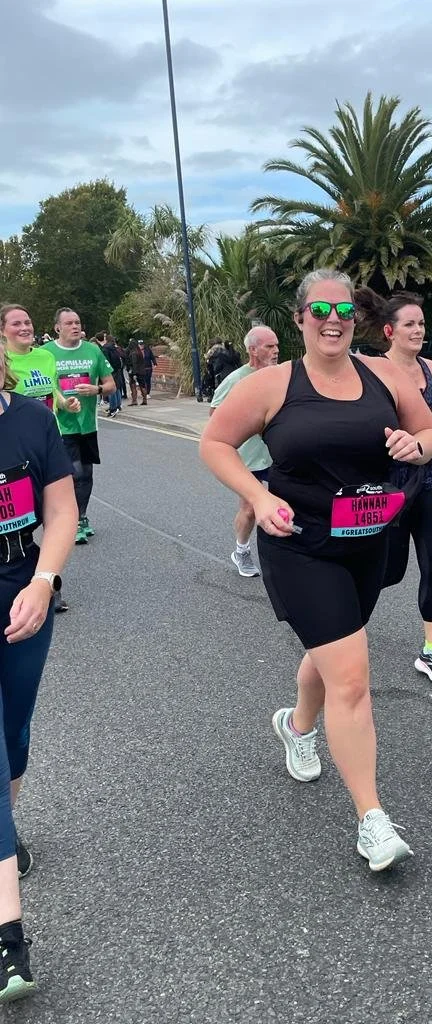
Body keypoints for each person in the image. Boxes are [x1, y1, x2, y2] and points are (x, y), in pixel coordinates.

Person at [200, 269, 432, 871]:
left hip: (367, 541)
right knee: (352, 677)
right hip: (300, 545)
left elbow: (431, 429)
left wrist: (421, 447)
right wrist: (257, 500)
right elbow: (214, 443)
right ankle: (371, 819)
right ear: (299, 318)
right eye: (319, 311)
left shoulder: (384, 374)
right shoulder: (272, 385)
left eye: (343, 310)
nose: (332, 320)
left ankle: (296, 724)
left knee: (337, 651)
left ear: (355, 319)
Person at [0, 340, 78, 1000]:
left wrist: (45, 581)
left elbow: (61, 511)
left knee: (15, 734)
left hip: (23, 591)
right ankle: (10, 941)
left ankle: (7, 827)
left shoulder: (31, 419)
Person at [355, 288, 432, 685]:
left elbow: (429, 419)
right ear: (389, 331)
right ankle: (344, 631)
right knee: (388, 569)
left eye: (421, 323)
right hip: (387, 486)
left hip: (428, 480)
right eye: (410, 324)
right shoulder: (372, 369)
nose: (419, 330)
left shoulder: (430, 369)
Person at [1, 305, 80, 614]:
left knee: (51, 510)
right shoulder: (9, 361)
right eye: (16, 323)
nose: (24, 327)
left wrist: (65, 403)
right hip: (13, 449)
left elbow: (53, 390)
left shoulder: (45, 357)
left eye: (28, 321)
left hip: (45, 439)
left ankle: (45, 580)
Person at [210, 326, 279, 577]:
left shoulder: (281, 376)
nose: (275, 351)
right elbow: (215, 416)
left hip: (279, 455)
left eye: (276, 346)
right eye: (269, 346)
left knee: (290, 502)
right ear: (253, 350)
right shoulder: (237, 380)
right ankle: (241, 551)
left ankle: (290, 556)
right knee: (250, 507)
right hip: (248, 457)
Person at [42, 308, 115, 545]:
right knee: (72, 474)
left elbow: (111, 384)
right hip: (59, 426)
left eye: (78, 322)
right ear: (57, 328)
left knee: (86, 473)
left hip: (87, 424)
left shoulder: (93, 350)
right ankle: (70, 521)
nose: (75, 326)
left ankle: (81, 517)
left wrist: (97, 390)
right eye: (69, 323)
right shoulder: (45, 353)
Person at [99, 335, 124, 417]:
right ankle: (118, 405)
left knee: (111, 389)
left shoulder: (105, 348)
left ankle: (113, 408)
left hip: (110, 370)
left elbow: (105, 361)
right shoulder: (114, 348)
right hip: (117, 369)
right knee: (116, 388)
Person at [125, 340, 147, 406]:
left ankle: (134, 400)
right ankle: (144, 400)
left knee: (133, 386)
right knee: (142, 386)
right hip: (142, 371)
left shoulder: (133, 353)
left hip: (134, 372)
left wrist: (134, 373)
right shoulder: (139, 352)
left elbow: (134, 364)